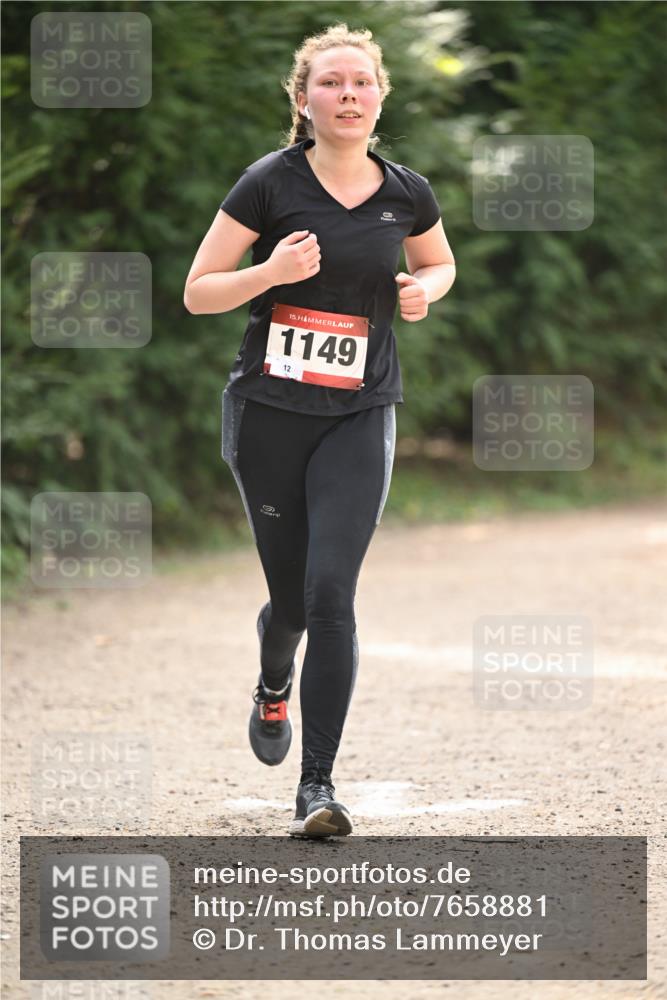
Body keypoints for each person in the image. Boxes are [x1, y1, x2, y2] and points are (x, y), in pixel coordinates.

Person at [184, 22, 456, 838]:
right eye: (331, 83)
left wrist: (424, 290)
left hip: (358, 411)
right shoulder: (269, 183)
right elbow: (199, 290)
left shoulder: (405, 191)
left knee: (331, 595)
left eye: (361, 82)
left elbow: (439, 260)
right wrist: (269, 273)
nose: (348, 95)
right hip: (267, 415)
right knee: (291, 605)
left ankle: (317, 787)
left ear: (380, 97)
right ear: (304, 100)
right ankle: (273, 682)